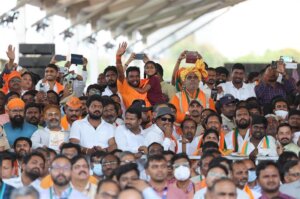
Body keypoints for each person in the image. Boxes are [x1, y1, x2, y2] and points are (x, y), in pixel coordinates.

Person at [170, 57, 215, 123]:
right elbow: (173, 113)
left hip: (203, 130)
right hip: (183, 129)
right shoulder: (177, 97)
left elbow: (213, 114)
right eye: (189, 77)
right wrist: (191, 118)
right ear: (184, 81)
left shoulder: (207, 97)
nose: (192, 79)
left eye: (195, 77)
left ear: (199, 81)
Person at [115, 42, 150, 108]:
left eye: (137, 76)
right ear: (126, 78)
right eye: (131, 77)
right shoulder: (124, 87)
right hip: (132, 117)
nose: (135, 79)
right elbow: (120, 73)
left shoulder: (145, 83)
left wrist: (148, 62)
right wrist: (118, 57)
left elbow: (155, 75)